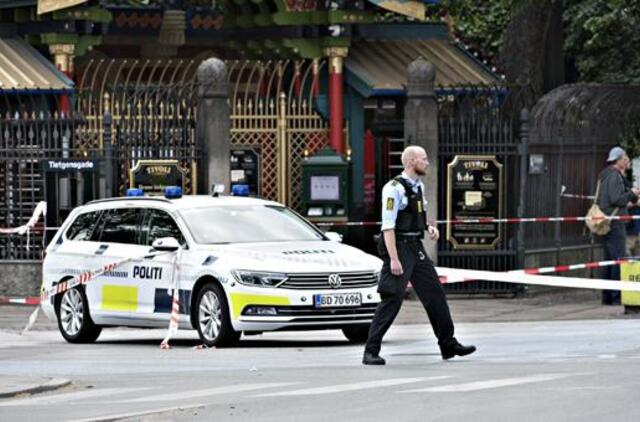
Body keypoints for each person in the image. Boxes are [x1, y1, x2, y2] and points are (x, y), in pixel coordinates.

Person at [362, 145, 476, 365]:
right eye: (423, 159)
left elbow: (418, 216)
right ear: (411, 162)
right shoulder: (393, 188)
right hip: (400, 247)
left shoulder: (418, 186)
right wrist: (394, 259)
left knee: (435, 294)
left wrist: (429, 228)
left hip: (415, 246)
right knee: (392, 298)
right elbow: (388, 227)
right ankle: (371, 351)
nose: (427, 162)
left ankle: (448, 344)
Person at [597, 146, 640, 305]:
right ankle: (616, 296)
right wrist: (632, 194)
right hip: (615, 222)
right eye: (625, 158)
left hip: (608, 222)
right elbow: (616, 198)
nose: (627, 160)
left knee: (608, 260)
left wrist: (632, 196)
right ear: (619, 160)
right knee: (618, 260)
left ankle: (607, 296)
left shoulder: (606, 175)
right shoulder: (614, 176)